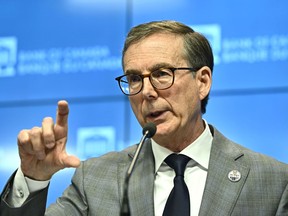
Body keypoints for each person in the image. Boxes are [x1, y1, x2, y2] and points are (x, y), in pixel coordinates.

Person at [0, 20, 288, 216]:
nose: (147, 92)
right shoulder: (98, 178)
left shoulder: (273, 181)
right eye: (135, 78)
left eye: (162, 74)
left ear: (202, 81)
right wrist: (33, 178)